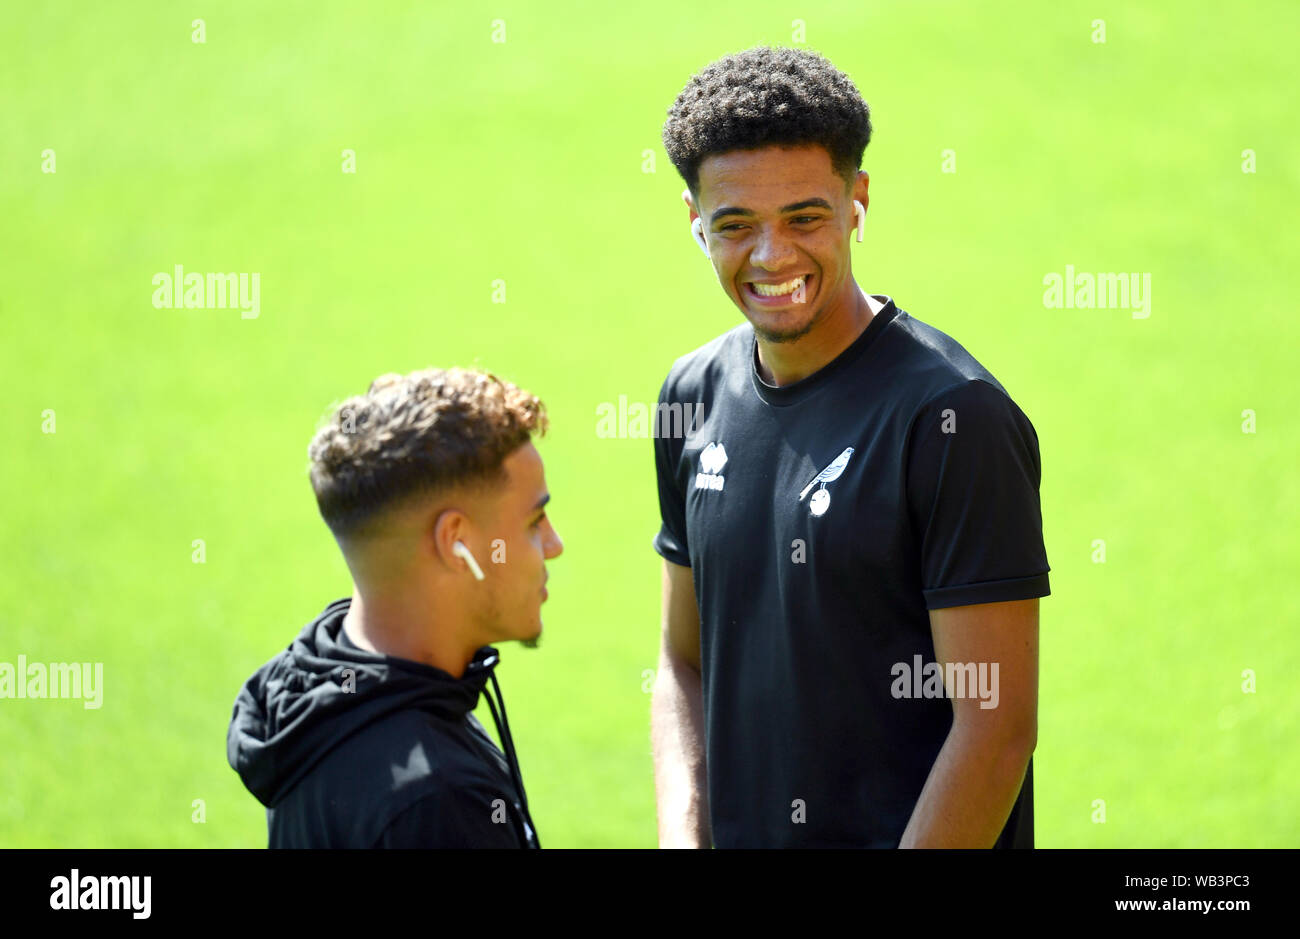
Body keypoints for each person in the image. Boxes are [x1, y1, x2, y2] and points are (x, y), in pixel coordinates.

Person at [650, 46, 1050, 848]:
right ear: (696, 222)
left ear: (857, 200)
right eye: (734, 225)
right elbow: (682, 662)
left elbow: (996, 728)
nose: (772, 257)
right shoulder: (690, 396)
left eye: (804, 217)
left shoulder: (953, 418)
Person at [227, 367, 562, 848]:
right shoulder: (437, 804)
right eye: (534, 521)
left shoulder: (319, 698)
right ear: (457, 542)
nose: (554, 544)